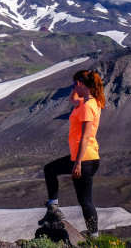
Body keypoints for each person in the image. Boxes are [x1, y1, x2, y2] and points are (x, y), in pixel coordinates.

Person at [39, 70, 105, 236]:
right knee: (50, 170)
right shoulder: (87, 102)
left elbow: (85, 137)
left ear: (81, 84)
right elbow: (72, 99)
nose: (73, 87)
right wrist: (77, 84)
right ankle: (54, 208)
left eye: (75, 84)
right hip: (84, 156)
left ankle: (94, 236)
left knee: (85, 201)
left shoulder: (88, 107)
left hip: (84, 158)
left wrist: (77, 163)